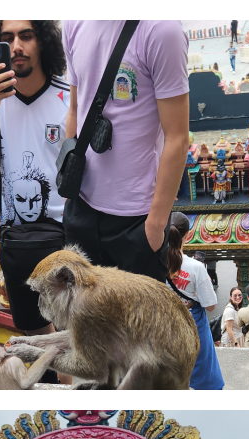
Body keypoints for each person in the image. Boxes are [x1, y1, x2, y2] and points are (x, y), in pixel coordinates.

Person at [0, 20, 69, 339]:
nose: (16, 46)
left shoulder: (69, 96)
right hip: (16, 239)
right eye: (7, 39)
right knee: (33, 331)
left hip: (66, 235)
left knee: (72, 332)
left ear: (43, 42)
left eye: (26, 36)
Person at [62, 21, 190, 282]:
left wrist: (155, 225)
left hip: (137, 221)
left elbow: (177, 137)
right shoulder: (74, 22)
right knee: (86, 320)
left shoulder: (161, 29)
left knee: (138, 323)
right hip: (82, 207)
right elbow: (75, 110)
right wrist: (69, 191)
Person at [166, 212, 222, 389]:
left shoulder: (154, 262)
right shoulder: (196, 267)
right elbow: (211, 305)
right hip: (192, 323)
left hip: (164, 323)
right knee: (202, 370)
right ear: (187, 235)